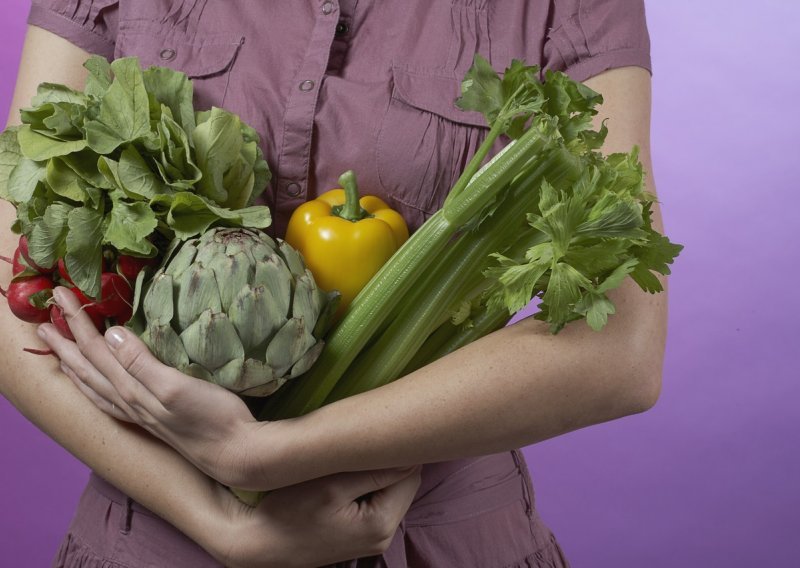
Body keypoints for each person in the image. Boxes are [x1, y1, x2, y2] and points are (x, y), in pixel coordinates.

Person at [1, 1, 665, 566]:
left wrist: (265, 453)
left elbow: (622, 353)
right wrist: (220, 520)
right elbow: (9, 293)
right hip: (152, 537)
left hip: (444, 538)